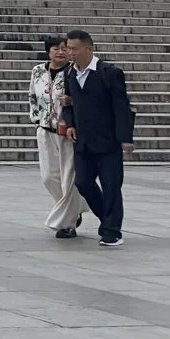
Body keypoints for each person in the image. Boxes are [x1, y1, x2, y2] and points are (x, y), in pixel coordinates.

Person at [62, 29, 136, 247]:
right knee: (83, 183)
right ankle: (108, 219)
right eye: (68, 49)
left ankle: (112, 231)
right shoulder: (70, 74)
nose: (70, 53)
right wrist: (70, 124)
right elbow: (69, 104)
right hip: (82, 141)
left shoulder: (109, 73)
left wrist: (125, 138)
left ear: (89, 49)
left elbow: (121, 107)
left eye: (74, 49)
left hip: (108, 140)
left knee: (111, 185)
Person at [33, 36, 85, 238]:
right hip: (44, 129)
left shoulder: (74, 72)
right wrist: (36, 119)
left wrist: (71, 101)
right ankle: (76, 206)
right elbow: (33, 96)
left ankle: (67, 224)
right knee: (48, 177)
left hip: (67, 130)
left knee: (68, 178)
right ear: (49, 51)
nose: (61, 52)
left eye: (64, 48)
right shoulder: (37, 71)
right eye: (56, 48)